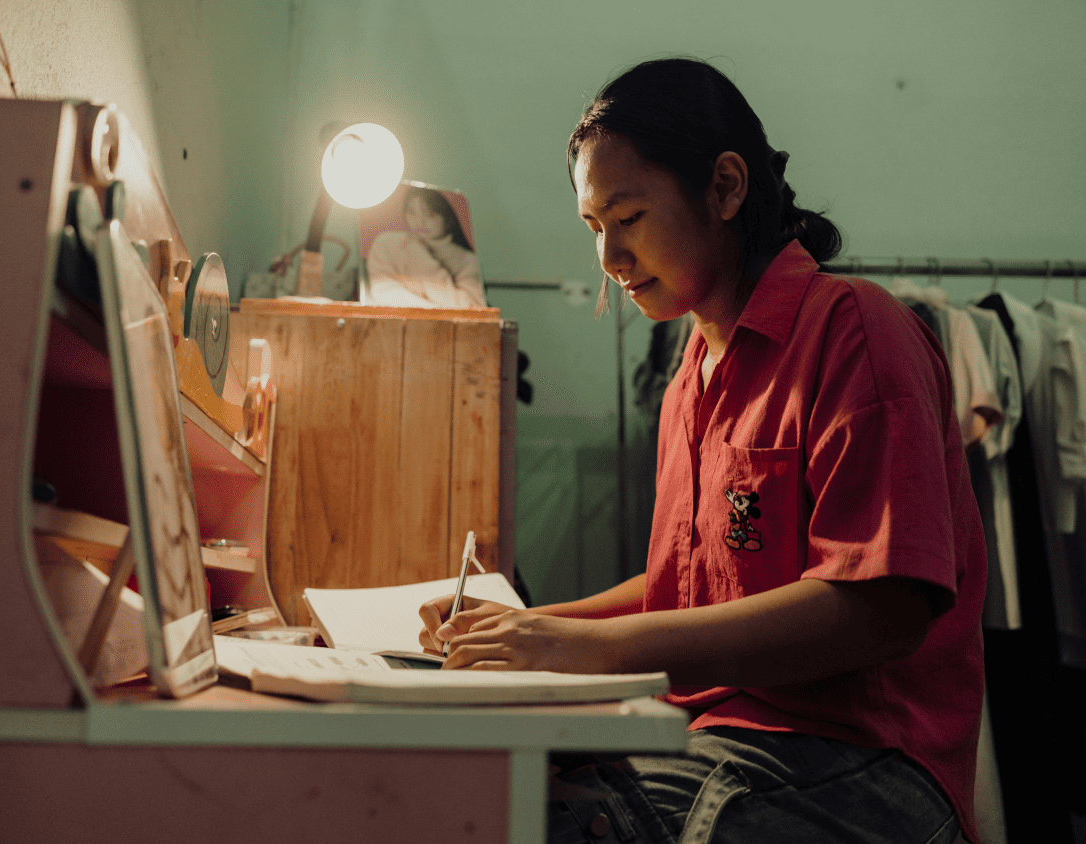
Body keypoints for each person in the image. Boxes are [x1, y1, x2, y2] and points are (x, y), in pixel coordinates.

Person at [419, 57, 986, 844]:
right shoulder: (693, 369)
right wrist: (521, 628)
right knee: (470, 783)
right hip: (715, 739)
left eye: (629, 217)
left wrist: (575, 647)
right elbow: (685, 588)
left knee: (525, 818)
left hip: (864, 763)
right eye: (594, 227)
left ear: (725, 187)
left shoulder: (855, 327)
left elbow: (882, 608)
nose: (609, 259)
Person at [362, 185, 486, 309]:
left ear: (449, 219)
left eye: (430, 215)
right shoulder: (388, 242)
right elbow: (383, 290)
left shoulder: (467, 260)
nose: (420, 222)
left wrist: (423, 261)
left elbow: (468, 308)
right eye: (412, 212)